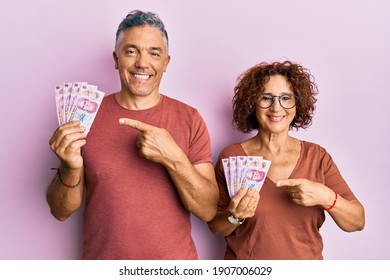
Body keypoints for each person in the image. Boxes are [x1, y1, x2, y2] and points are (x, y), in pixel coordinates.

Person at [47, 10, 219, 260]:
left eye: (153, 53)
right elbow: (60, 211)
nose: (142, 63)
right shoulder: (85, 116)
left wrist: (173, 158)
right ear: (116, 59)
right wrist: (70, 166)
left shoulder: (190, 118)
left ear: (166, 63)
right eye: (131, 51)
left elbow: (208, 210)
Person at [207, 60, 365, 259]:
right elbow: (216, 227)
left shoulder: (317, 157)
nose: (276, 107)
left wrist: (326, 197)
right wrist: (234, 216)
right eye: (266, 98)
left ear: (298, 104)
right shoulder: (232, 157)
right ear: (252, 103)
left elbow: (357, 221)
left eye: (285, 98)